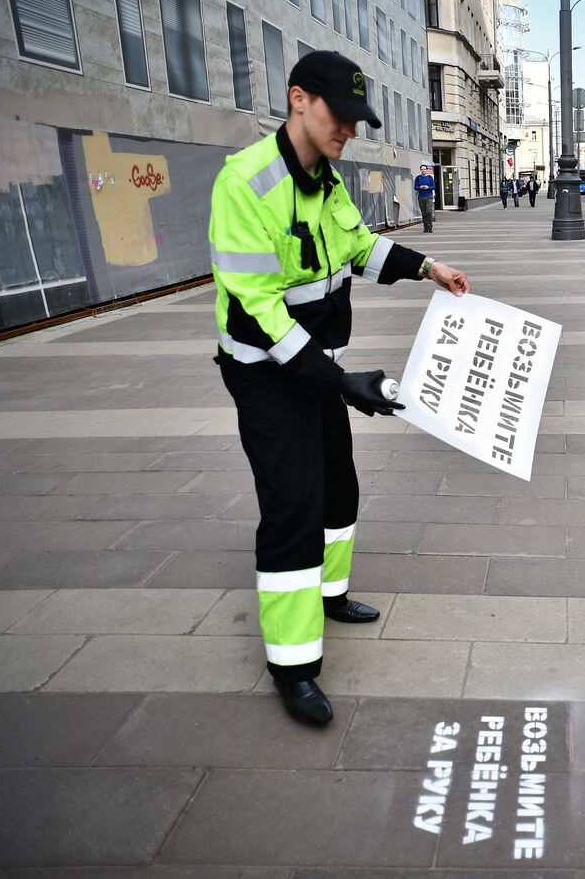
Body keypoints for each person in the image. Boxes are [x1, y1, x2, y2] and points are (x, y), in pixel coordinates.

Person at [209, 50, 471, 726]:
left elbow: (360, 247)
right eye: (340, 115)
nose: (350, 130)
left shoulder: (326, 179)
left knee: (339, 486)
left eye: (357, 121)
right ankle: (292, 666)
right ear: (299, 99)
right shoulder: (245, 183)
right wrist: (343, 382)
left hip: (319, 363)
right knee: (293, 505)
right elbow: (259, 315)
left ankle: (329, 593)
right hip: (267, 375)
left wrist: (428, 267)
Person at [414, 163, 436, 232]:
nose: (423, 170)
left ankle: (430, 227)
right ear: (420, 170)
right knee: (423, 213)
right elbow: (415, 187)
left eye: (424, 169)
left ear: (426, 170)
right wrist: (420, 187)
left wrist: (428, 187)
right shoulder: (418, 178)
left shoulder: (429, 178)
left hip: (429, 196)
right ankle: (425, 228)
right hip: (421, 197)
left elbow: (433, 186)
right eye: (422, 169)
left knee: (429, 211)